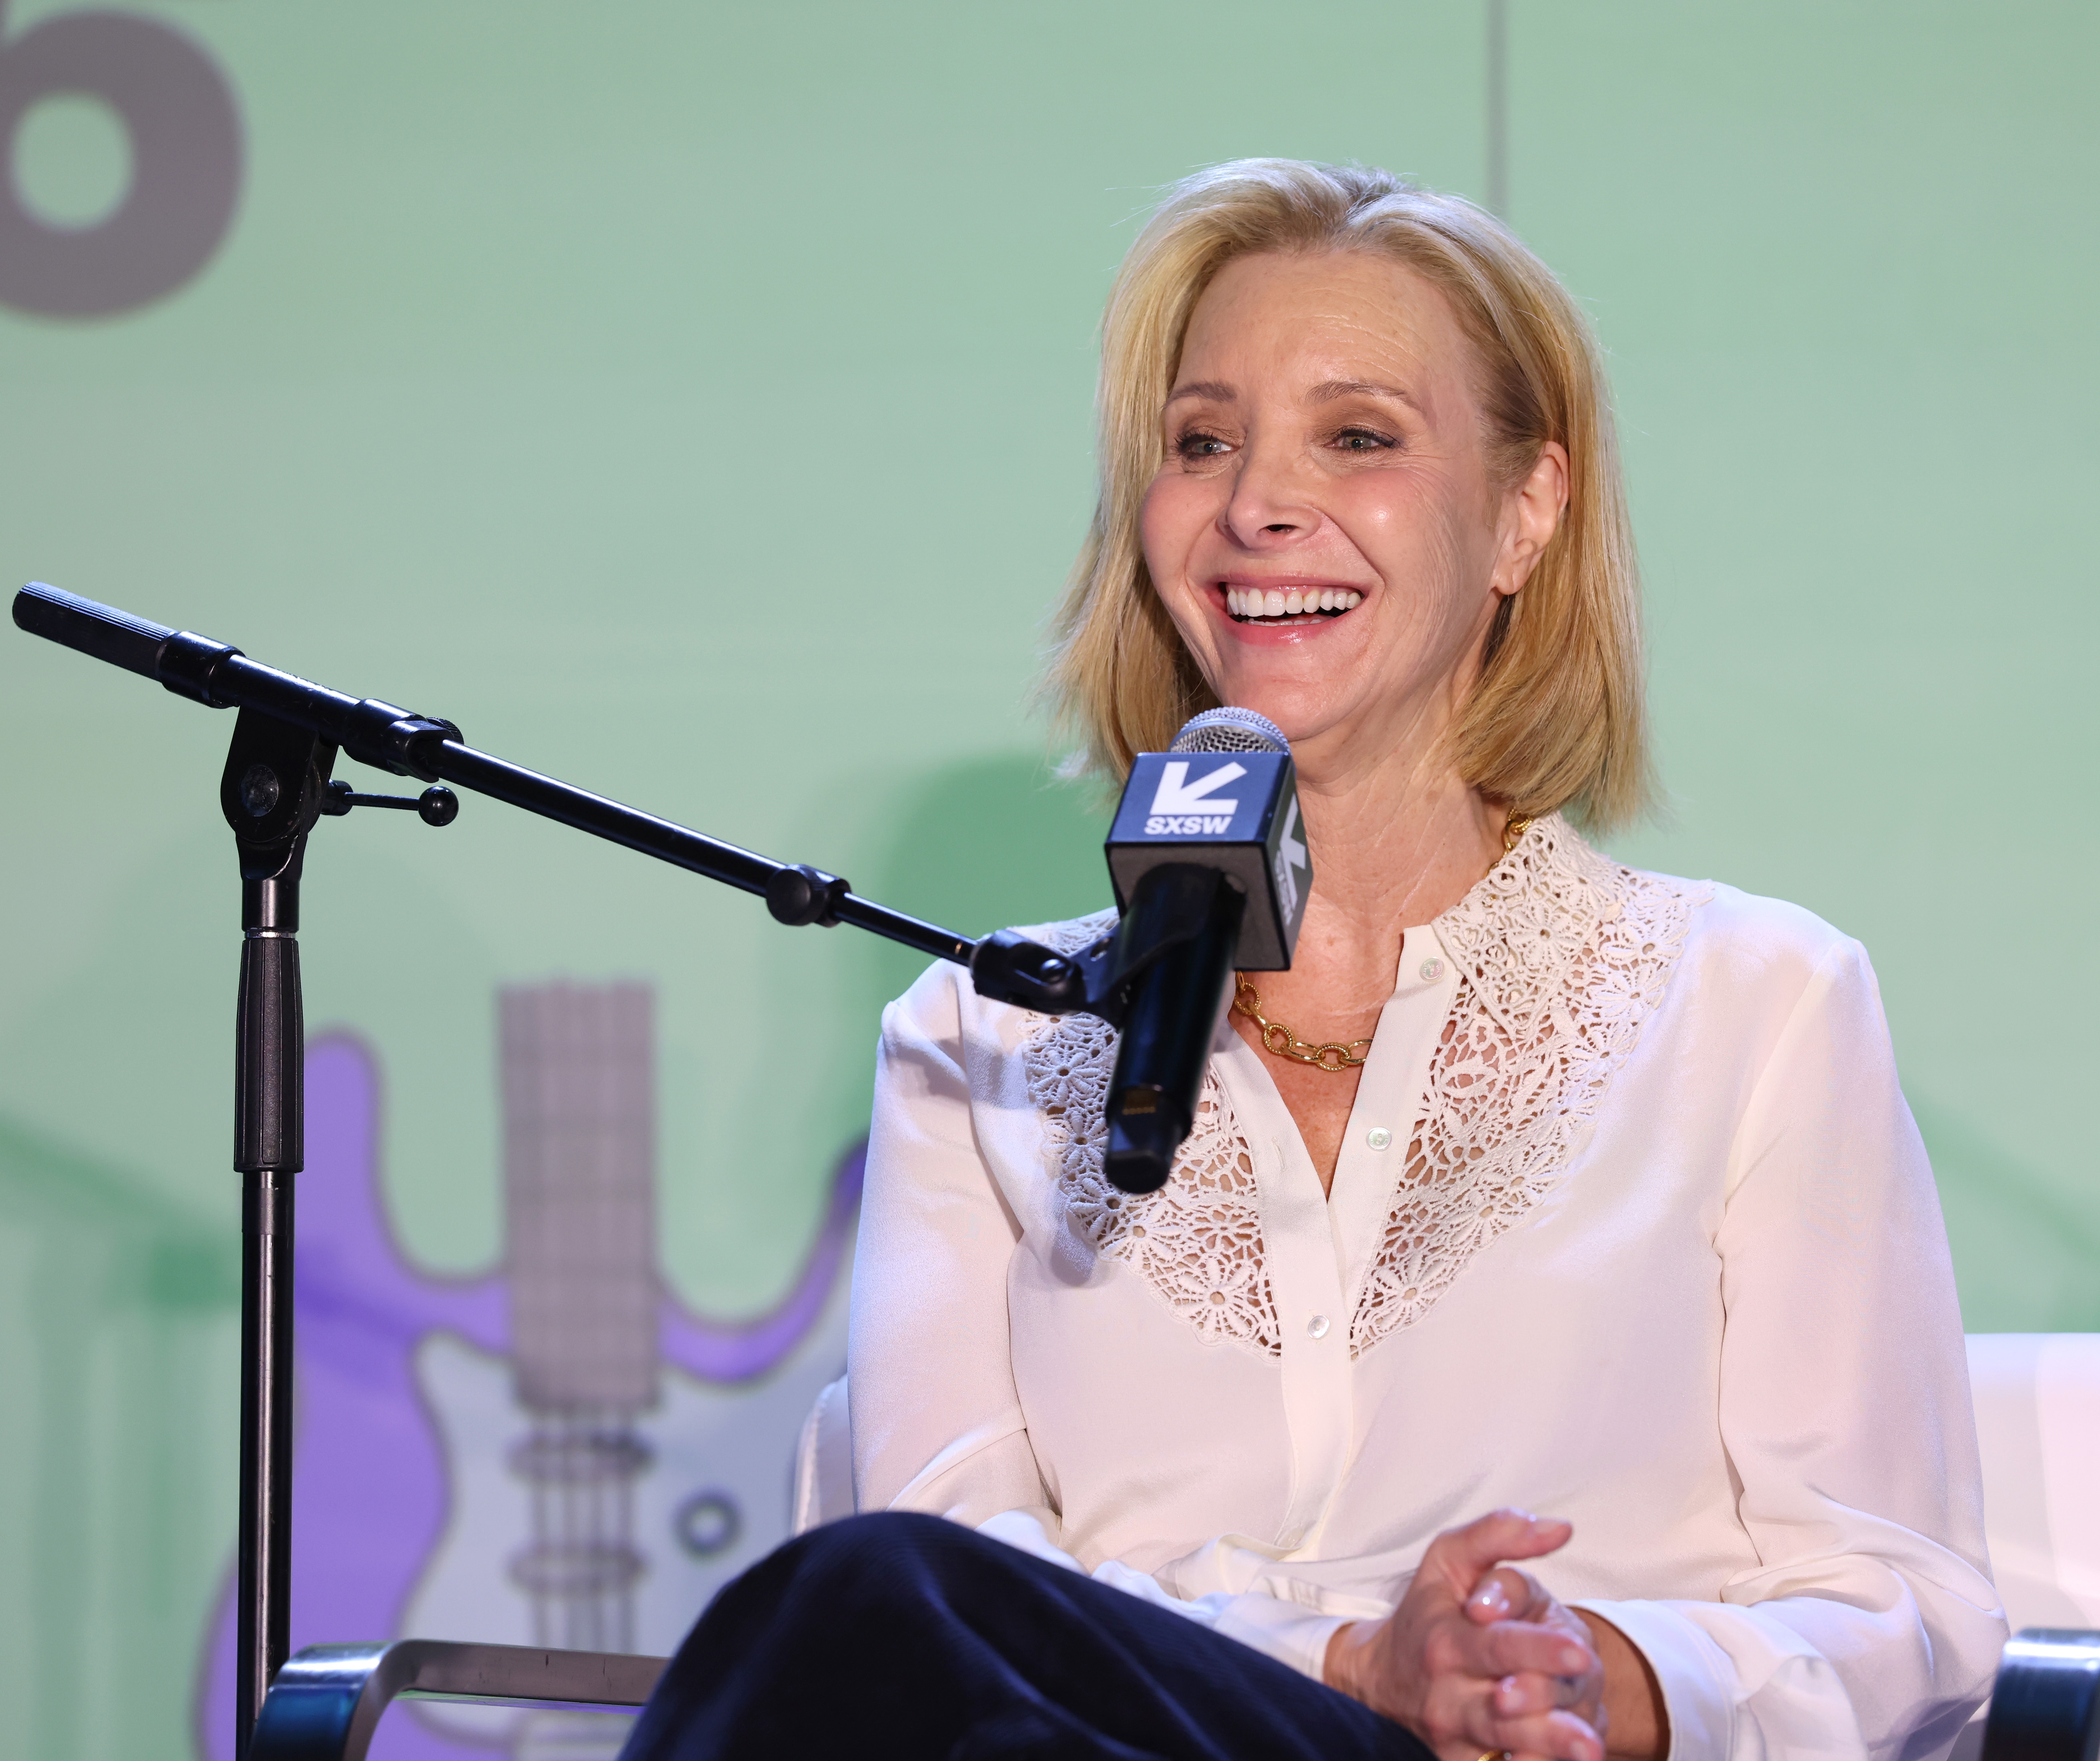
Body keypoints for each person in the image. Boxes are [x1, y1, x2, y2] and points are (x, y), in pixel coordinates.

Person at [621, 159, 2004, 1761]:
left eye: (1357, 437)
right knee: (871, 1611)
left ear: (1526, 512)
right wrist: (1352, 1663)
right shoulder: (983, 1037)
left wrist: (1574, 1675)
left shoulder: (1758, 1008)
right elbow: (961, 1595)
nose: (1255, 506)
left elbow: (1901, 1611)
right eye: (1203, 443)